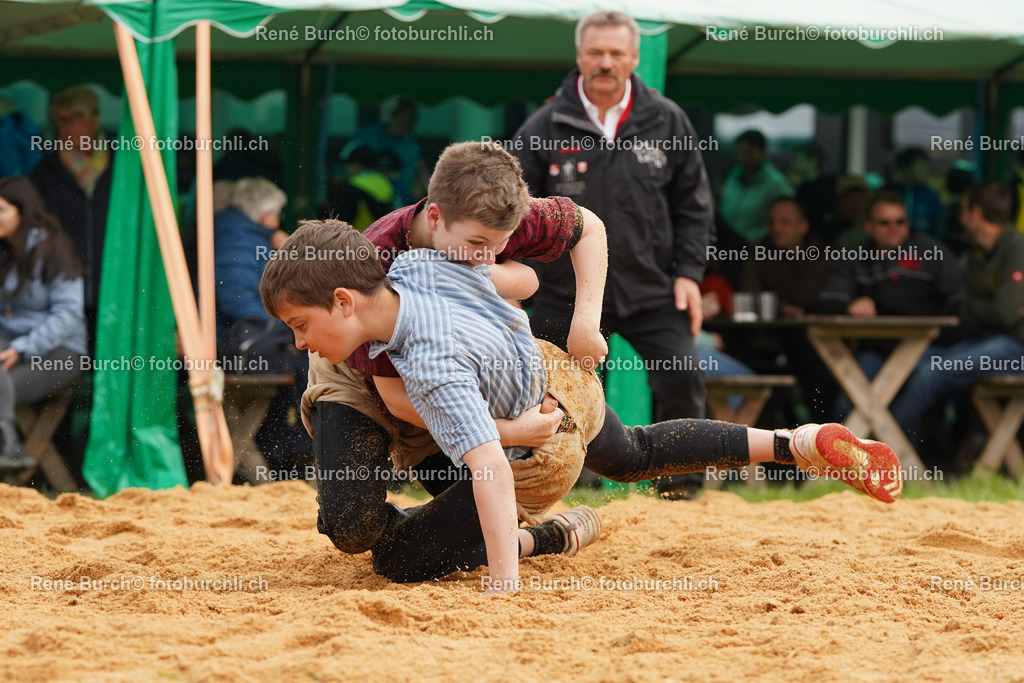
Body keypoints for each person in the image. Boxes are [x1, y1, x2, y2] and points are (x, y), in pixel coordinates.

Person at [260, 220, 904, 594]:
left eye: (298, 324)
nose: (293, 341)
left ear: (344, 300)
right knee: (631, 453)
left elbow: (469, 443)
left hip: (502, 416)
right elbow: (534, 275)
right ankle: (793, 442)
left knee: (401, 552)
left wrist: (505, 576)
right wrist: (503, 297)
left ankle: (533, 537)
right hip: (545, 379)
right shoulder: (419, 265)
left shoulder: (424, 337)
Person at [287, 141, 607, 584]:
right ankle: (526, 536)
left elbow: (569, 242)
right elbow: (397, 400)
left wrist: (584, 322)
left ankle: (539, 537)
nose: (489, 252)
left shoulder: (488, 214)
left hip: (435, 379)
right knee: (353, 526)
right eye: (478, 245)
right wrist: (508, 432)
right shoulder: (384, 272)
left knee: (427, 540)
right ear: (435, 219)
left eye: (498, 244)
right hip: (359, 368)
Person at [511, 10, 713, 500]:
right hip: (565, 293)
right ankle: (570, 484)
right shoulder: (544, 124)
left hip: (651, 287)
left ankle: (681, 488)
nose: (606, 62)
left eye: (616, 53)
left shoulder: (668, 119)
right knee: (558, 392)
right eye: (596, 53)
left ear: (634, 58)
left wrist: (688, 274)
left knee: (682, 375)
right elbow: (508, 213)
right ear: (579, 56)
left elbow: (694, 205)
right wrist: (514, 285)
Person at [880, 182, 1024, 439]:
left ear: (976, 213)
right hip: (987, 340)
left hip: (1016, 347)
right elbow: (974, 313)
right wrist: (989, 309)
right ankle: (903, 447)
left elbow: (1003, 313)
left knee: (932, 372)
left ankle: (885, 449)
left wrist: (981, 309)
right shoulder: (976, 255)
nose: (959, 216)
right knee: (912, 364)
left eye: (963, 209)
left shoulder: (1016, 247)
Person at [214, 177, 309, 470]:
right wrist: (288, 324)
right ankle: (293, 454)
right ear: (264, 214)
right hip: (238, 345)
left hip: (250, 341)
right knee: (311, 359)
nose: (279, 219)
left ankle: (291, 454)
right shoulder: (238, 238)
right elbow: (238, 301)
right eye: (277, 212)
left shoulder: (249, 235)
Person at [0, 177, 87, 470]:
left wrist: (24, 347)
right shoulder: (3, 250)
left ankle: (11, 451)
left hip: (61, 351)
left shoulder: (53, 249)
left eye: (1, 210)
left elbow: (68, 314)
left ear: (22, 212)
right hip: (10, 345)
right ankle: (10, 447)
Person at [29, 86, 113, 349]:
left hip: (114, 279)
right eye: (60, 120)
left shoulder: (124, 165)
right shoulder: (45, 171)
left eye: (73, 117)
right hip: (64, 281)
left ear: (95, 119)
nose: (65, 127)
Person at [341, 98, 423, 205]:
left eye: (406, 124)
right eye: (399, 120)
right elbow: (344, 163)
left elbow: (407, 179)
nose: (400, 127)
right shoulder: (367, 133)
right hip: (361, 186)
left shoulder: (410, 147)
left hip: (391, 192)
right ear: (392, 116)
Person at [719, 129, 795, 244]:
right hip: (727, 248)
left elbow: (789, 218)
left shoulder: (777, 184)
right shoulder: (733, 177)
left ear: (763, 152)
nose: (743, 157)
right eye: (740, 152)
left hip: (757, 250)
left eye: (749, 152)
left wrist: (759, 240)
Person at [320, 146, 397, 230]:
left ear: (356, 164)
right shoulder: (385, 183)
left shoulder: (353, 185)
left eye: (347, 165)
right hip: (379, 235)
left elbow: (343, 219)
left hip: (359, 236)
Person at [887, 147, 944, 239]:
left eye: (926, 167)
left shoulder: (931, 197)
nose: (925, 171)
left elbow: (938, 228)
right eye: (920, 167)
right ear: (906, 168)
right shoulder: (890, 193)